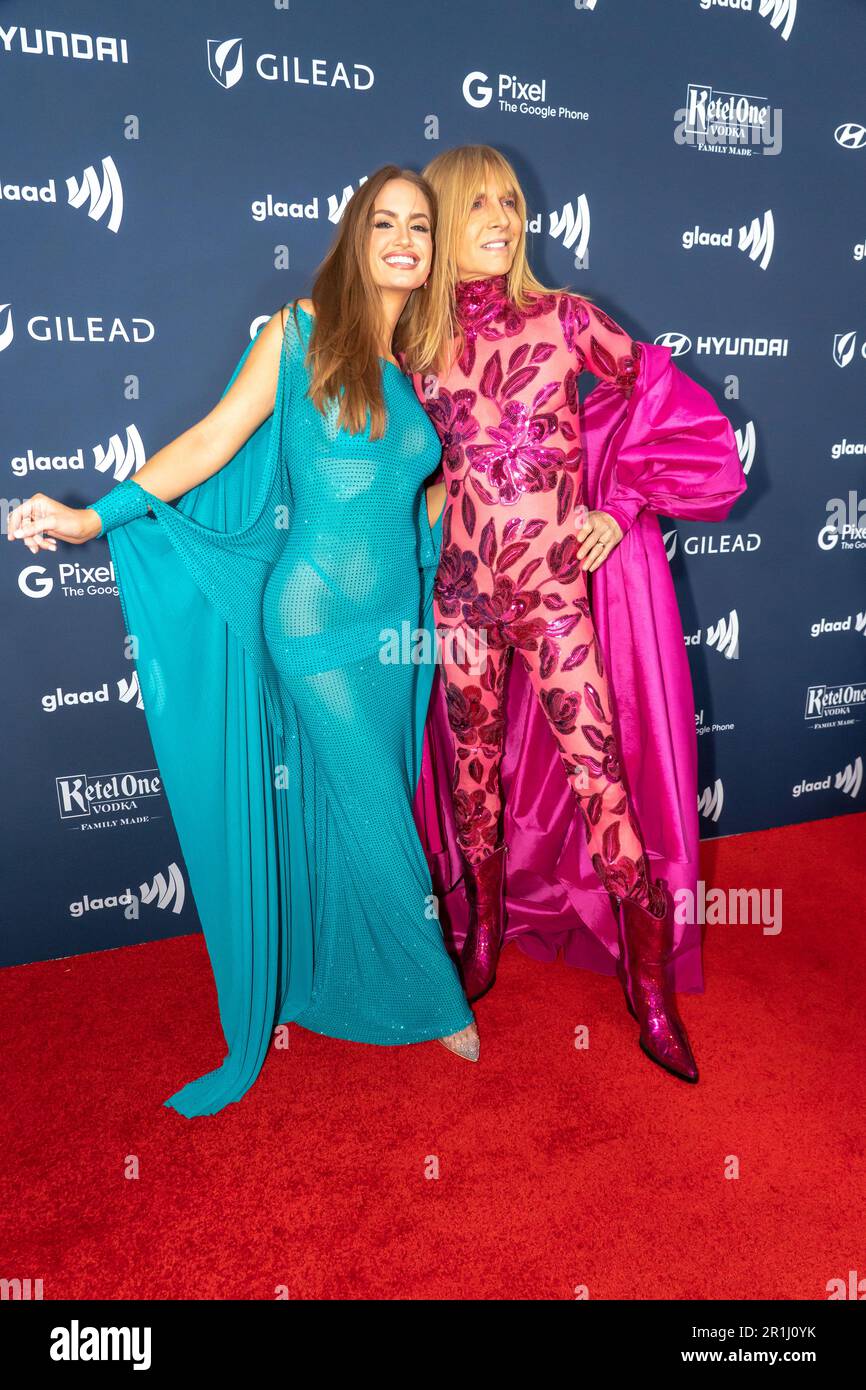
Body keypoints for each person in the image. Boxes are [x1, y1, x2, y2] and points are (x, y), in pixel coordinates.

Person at [6, 166, 480, 1119]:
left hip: (394, 631)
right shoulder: (299, 333)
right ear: (355, 238)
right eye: (384, 222)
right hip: (311, 618)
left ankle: (328, 981)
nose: (403, 240)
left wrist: (445, 503)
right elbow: (213, 441)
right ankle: (433, 999)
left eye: (418, 228)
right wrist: (94, 520)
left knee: (359, 799)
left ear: (431, 252)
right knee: (375, 802)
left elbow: (408, 492)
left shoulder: (411, 369)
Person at [398, 144, 747, 1083]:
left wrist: (618, 506)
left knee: (604, 788)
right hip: (461, 601)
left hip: (553, 595)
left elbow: (658, 397)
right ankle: (480, 941)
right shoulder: (415, 345)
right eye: (478, 207)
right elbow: (377, 444)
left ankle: (652, 991)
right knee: (474, 784)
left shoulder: (565, 320)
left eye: (510, 204)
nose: (503, 220)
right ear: (442, 219)